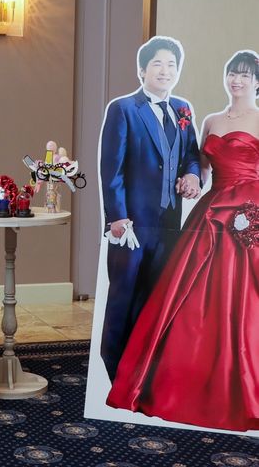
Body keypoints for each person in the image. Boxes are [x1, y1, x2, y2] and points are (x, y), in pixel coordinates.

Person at [107, 50, 259, 431]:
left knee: (241, 302)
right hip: (210, 213)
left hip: (249, 216)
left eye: (245, 75)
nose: (237, 80)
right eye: (232, 73)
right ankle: (172, 380)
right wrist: (192, 178)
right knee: (183, 300)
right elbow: (198, 166)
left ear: (257, 82)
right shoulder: (208, 120)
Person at [99, 36, 201, 381]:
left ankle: (142, 372)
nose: (165, 70)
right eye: (158, 63)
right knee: (123, 295)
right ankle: (113, 369)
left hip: (169, 224)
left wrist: (192, 175)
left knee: (155, 296)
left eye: (171, 65)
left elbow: (192, 154)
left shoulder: (183, 109)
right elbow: (111, 169)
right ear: (142, 70)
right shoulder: (124, 109)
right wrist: (117, 217)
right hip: (132, 224)